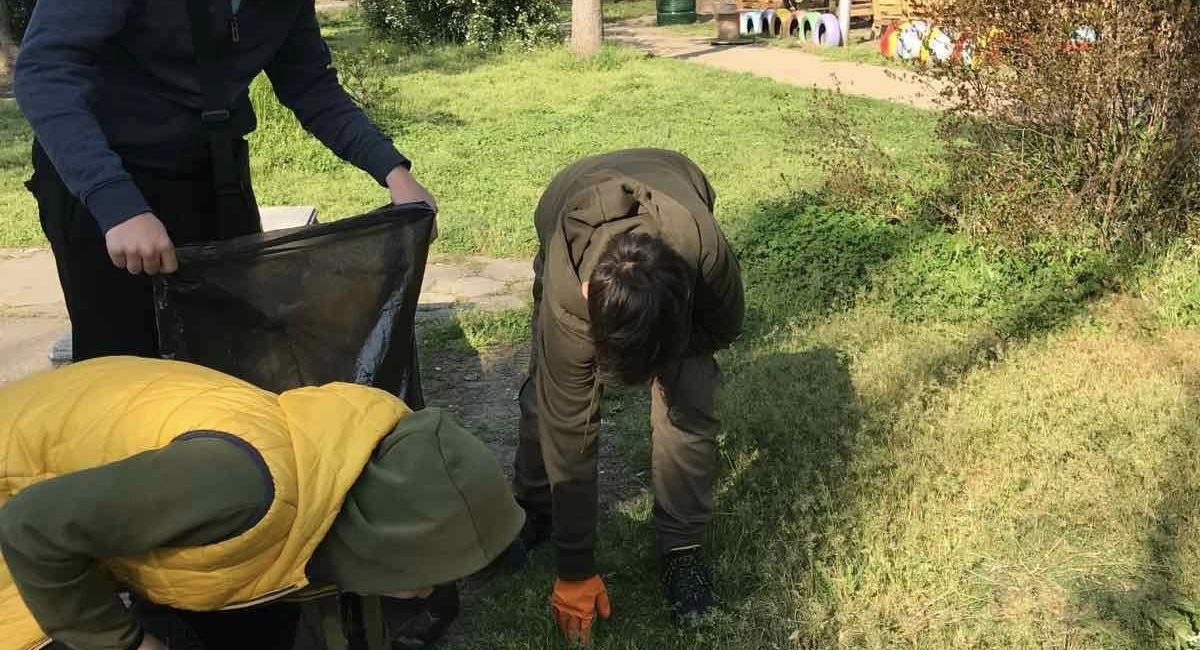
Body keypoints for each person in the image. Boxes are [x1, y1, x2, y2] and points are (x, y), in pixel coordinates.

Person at [13, 0, 437, 362]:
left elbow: (311, 86)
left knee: (230, 352)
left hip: (214, 173)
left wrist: (394, 173)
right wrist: (118, 207)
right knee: (125, 370)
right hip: (104, 178)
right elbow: (44, 73)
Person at [0, 357, 523, 650]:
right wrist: (122, 644)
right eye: (432, 568)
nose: (431, 590)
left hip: (70, 502)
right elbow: (31, 528)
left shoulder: (328, 472)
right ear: (387, 536)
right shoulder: (239, 489)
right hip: (19, 511)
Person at [511, 149, 745, 643]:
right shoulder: (568, 288)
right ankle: (534, 505)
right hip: (567, 193)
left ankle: (681, 550)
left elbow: (725, 326)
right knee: (549, 397)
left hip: (675, 178)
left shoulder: (703, 250)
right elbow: (570, 426)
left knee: (689, 397)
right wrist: (575, 569)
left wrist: (671, 355)